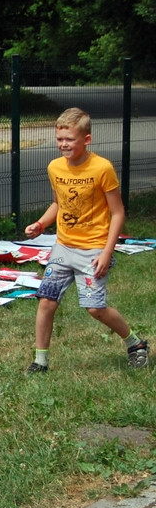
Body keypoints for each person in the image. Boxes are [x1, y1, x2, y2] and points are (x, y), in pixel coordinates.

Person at [23, 107, 148, 373]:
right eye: (59, 139)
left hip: (93, 250)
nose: (63, 145)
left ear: (86, 140)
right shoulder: (55, 168)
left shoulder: (102, 168)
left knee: (95, 309)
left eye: (69, 139)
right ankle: (40, 361)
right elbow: (59, 204)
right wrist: (41, 224)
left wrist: (106, 252)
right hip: (63, 247)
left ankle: (135, 344)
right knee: (47, 301)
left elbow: (118, 213)